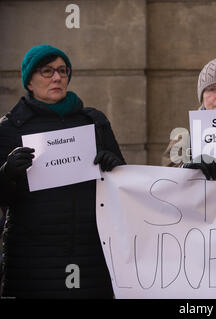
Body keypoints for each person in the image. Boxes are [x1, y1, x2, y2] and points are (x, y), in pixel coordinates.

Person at [0, 45, 125, 298]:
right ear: (29, 81)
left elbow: (123, 186)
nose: (57, 77)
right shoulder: (9, 128)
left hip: (89, 252)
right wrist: (7, 172)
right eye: (47, 71)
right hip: (32, 258)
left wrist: (113, 165)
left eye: (62, 71)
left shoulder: (94, 122)